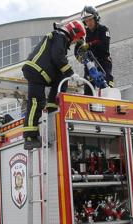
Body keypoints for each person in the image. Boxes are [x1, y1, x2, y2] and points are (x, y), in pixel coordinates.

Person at [21, 20, 86, 150]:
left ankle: (52, 105)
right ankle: (29, 138)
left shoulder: (59, 38)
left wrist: (67, 74)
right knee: (36, 102)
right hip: (36, 71)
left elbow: (58, 62)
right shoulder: (59, 36)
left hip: (41, 72)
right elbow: (57, 57)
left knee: (62, 76)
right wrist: (71, 72)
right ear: (73, 33)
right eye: (76, 39)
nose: (74, 42)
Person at [75, 5, 114, 94]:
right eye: (86, 21)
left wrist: (89, 45)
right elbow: (77, 50)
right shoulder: (83, 34)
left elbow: (104, 47)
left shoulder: (103, 29)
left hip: (103, 62)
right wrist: (80, 58)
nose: (89, 23)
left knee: (107, 89)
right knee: (88, 91)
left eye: (90, 19)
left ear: (96, 18)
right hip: (89, 64)